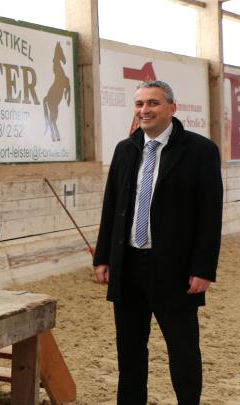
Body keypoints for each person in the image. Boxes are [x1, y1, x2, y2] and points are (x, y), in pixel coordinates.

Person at [93, 80, 222, 405]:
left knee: (183, 350)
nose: (144, 110)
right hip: (130, 265)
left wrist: (204, 267)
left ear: (172, 108)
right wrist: (104, 256)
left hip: (176, 270)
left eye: (153, 103)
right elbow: (112, 206)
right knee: (130, 351)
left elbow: (210, 214)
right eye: (139, 104)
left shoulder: (200, 151)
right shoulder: (126, 149)